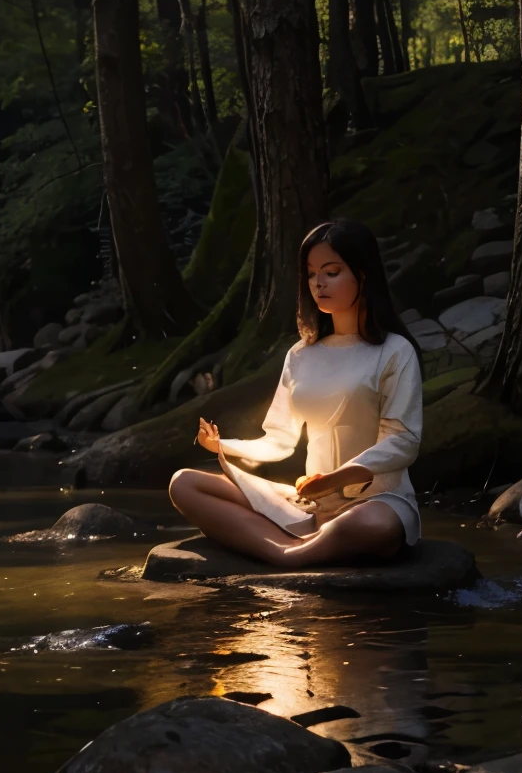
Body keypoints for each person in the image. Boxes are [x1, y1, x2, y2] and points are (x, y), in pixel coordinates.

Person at [168, 219, 424, 569]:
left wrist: (336, 479)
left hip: (376, 501)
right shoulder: (301, 355)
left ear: (363, 275)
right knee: (184, 484)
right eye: (312, 273)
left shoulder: (394, 351)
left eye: (332, 272)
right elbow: (280, 440)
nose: (319, 283)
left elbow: (403, 440)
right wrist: (222, 446)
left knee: (374, 525)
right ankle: (296, 549)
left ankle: (284, 552)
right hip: (309, 505)